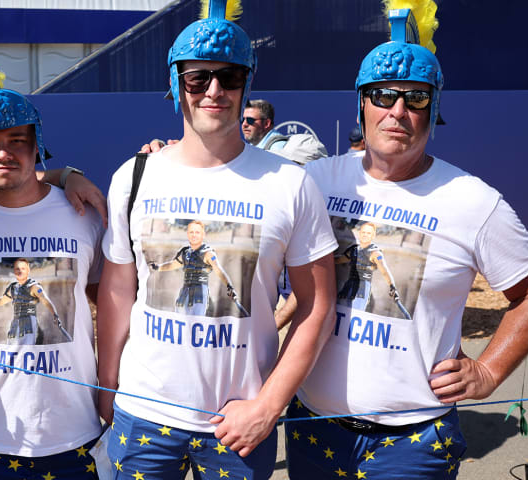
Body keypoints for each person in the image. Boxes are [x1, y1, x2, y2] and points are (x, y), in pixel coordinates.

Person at [284, 3, 528, 479]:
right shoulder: (313, 180)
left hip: (412, 441)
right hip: (312, 427)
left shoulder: (473, 202)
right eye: (383, 96)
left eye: (416, 98)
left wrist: (489, 371)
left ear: (436, 107)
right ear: (361, 103)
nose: (398, 112)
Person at [97, 1, 338, 479]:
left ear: (246, 84)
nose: (214, 90)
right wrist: (107, 380)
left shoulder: (288, 183)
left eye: (229, 78)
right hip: (144, 413)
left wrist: (270, 405)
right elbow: (119, 289)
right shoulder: (135, 175)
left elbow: (318, 306)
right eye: (197, 78)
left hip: (239, 421)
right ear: (175, 82)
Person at [0, 46, 104, 479]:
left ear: (37, 144)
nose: (3, 154)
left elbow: (109, 301)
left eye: (17, 142)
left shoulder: (83, 212)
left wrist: (68, 175)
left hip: (76, 429)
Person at [147, 220, 244, 316]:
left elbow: (218, 270)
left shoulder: (208, 253)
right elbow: (173, 264)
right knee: (180, 320)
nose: (194, 235)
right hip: (184, 292)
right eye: (191, 232)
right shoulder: (185, 252)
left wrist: (229, 286)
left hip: (200, 293)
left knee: (196, 322)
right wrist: (158, 267)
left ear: (203, 235)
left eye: (197, 232)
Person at [0, 258, 63, 345]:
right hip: (16, 321)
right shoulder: (13, 288)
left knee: (27, 347)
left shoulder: (34, 287)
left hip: (29, 323)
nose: (20, 271)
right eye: (17, 269)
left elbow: (45, 301)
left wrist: (55, 314)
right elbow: (2, 300)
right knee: (12, 347)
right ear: (14, 271)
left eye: (23, 268)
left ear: (28, 270)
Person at [335, 222, 405, 316]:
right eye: (363, 232)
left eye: (368, 233)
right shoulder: (354, 250)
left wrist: (392, 286)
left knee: (356, 314)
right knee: (341, 313)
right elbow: (339, 259)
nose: (365, 235)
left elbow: (384, 271)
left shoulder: (376, 253)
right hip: (349, 286)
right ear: (360, 234)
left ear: (373, 236)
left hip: (362, 289)